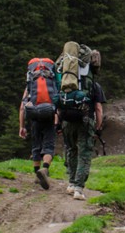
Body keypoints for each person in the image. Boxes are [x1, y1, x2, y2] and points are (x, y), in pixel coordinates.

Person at [58, 67, 106, 201]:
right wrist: (98, 126)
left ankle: (71, 184)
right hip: (85, 122)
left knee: (71, 150)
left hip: (67, 122)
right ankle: (79, 189)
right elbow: (98, 108)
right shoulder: (94, 85)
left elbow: (58, 104)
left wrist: (59, 122)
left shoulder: (65, 83)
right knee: (84, 153)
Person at [19, 87, 57, 190]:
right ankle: (44, 169)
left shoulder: (30, 84)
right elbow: (57, 104)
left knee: (36, 145)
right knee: (49, 145)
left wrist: (22, 126)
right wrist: (58, 122)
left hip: (35, 117)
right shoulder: (52, 83)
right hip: (49, 117)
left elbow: (23, 107)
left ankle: (37, 173)